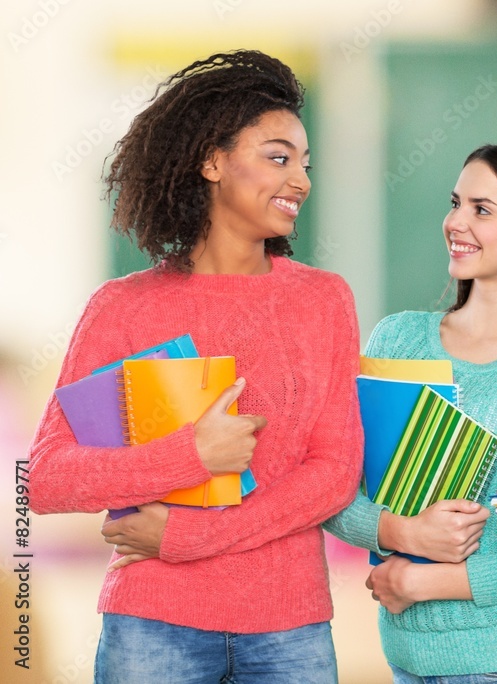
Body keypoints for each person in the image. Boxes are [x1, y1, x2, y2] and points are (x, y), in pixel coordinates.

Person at [27, 50, 363, 683]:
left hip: (288, 630)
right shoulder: (122, 307)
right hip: (151, 628)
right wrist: (192, 456)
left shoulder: (322, 300)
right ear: (212, 162)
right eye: (278, 157)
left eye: (305, 164)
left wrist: (186, 538)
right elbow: (43, 479)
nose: (301, 181)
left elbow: (334, 473)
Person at [324, 142, 497, 683]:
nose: (455, 221)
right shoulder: (398, 339)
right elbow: (333, 493)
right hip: (404, 662)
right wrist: (402, 534)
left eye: (482, 209)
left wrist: (426, 582)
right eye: (455, 203)